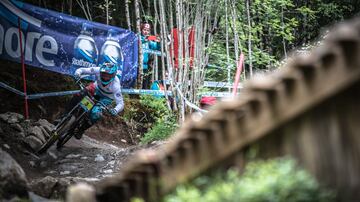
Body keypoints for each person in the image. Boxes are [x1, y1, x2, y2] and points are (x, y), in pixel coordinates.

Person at [68, 62, 124, 139]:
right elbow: (82, 70)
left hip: (106, 98)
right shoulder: (97, 70)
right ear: (100, 71)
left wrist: (115, 110)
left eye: (108, 76)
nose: (105, 77)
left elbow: (120, 103)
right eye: (104, 74)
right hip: (95, 88)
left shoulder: (116, 86)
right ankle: (65, 116)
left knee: (96, 114)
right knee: (79, 94)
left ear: (113, 75)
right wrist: (77, 74)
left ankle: (81, 129)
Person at [140, 23, 161, 89]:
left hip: (145, 66)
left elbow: (156, 47)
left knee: (144, 84)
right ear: (141, 30)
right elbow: (138, 42)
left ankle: (143, 97)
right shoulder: (137, 37)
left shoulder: (149, 41)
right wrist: (145, 39)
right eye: (144, 29)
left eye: (148, 30)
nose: (146, 32)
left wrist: (158, 42)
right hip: (137, 66)